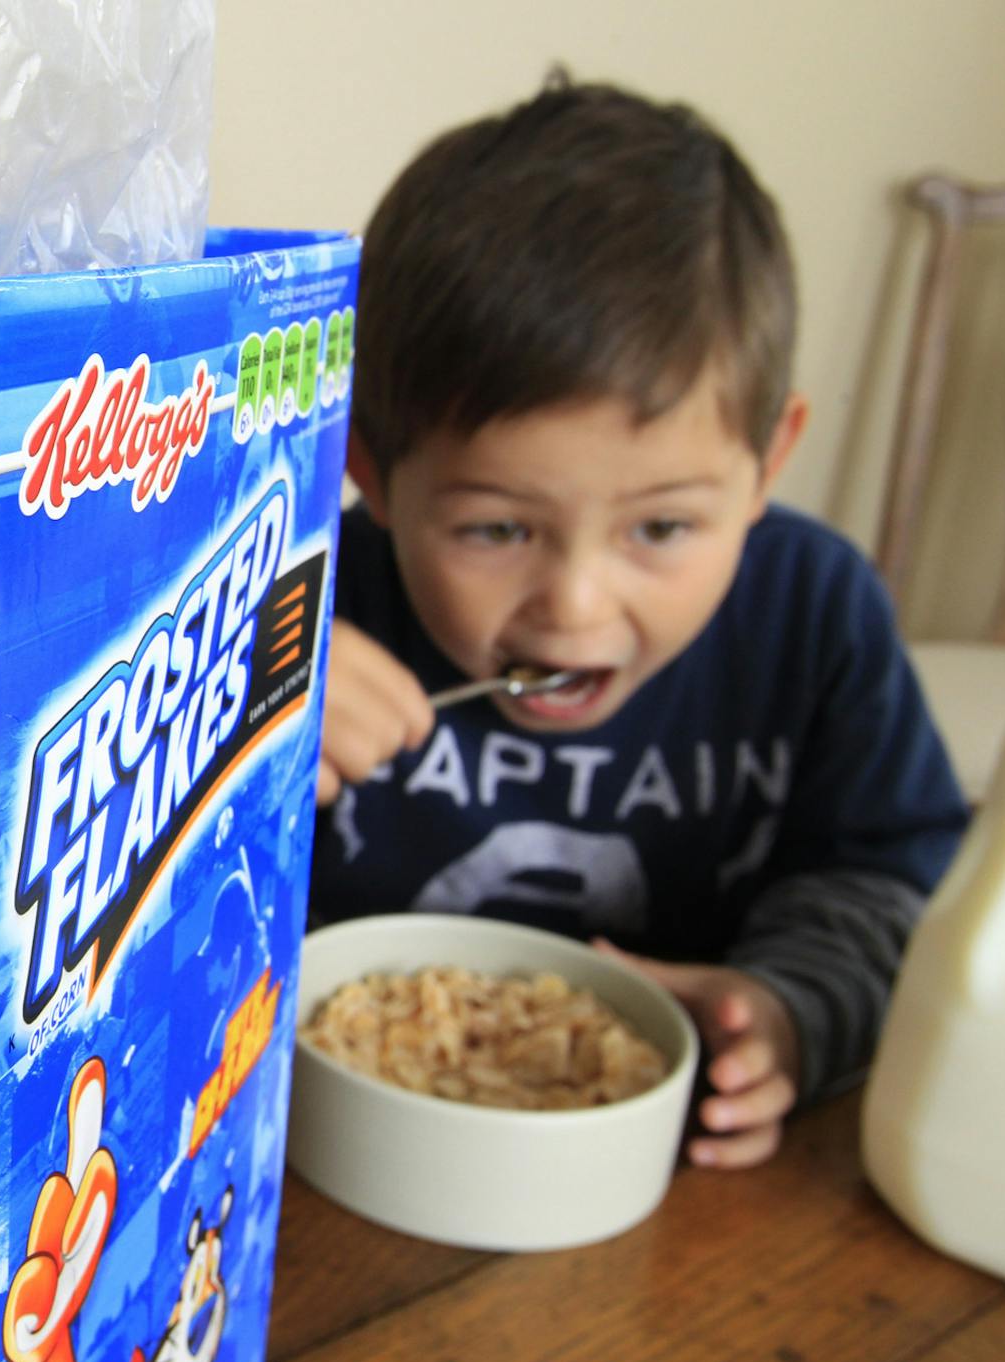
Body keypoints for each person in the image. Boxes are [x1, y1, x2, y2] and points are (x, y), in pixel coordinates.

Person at [312, 75, 968, 1169]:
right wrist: (238, 716)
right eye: (496, 530)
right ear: (375, 477)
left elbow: (891, 878)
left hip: (698, 1192)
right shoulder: (316, 609)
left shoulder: (813, 615)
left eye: (661, 527)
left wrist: (797, 1005)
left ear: (768, 463)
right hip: (344, 1163)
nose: (576, 605)